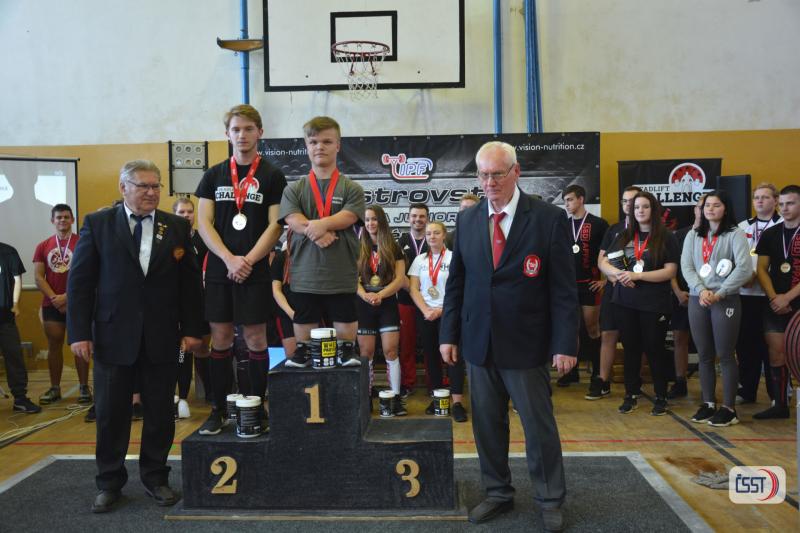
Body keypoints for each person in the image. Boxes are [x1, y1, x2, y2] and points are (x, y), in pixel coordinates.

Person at [440, 141, 578, 530]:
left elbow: (564, 290)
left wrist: (565, 344)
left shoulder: (548, 219)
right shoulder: (467, 220)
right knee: (486, 426)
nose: (490, 182)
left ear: (516, 172)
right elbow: (456, 283)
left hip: (527, 343)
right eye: (483, 175)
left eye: (497, 174)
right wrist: (448, 334)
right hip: (478, 343)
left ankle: (550, 499)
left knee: (537, 426)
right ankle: (497, 492)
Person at [67, 160, 204, 513]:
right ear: (123, 187)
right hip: (112, 335)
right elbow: (80, 283)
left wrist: (192, 329)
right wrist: (79, 332)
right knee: (111, 414)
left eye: (156, 186)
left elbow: (190, 284)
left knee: (160, 412)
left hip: (162, 335)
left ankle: (156, 477)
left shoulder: (176, 226)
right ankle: (109, 482)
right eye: (143, 186)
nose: (151, 192)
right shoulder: (98, 224)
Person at [195, 104, 287, 435]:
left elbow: (276, 225)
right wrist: (229, 259)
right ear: (227, 134)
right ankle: (218, 409)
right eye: (236, 129)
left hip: (256, 268)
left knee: (255, 338)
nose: (242, 135)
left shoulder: (273, 175)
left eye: (248, 129)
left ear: (260, 132)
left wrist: (247, 260)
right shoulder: (214, 175)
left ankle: (257, 406)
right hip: (221, 269)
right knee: (220, 338)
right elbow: (203, 223)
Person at [280, 116, 365, 369]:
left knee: (345, 312)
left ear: (338, 145)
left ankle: (346, 349)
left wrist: (319, 225)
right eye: (314, 142)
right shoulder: (294, 189)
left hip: (341, 270)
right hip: (305, 272)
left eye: (327, 141)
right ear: (306, 146)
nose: (320, 147)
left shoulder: (352, 188)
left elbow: (349, 216)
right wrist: (319, 231)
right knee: (304, 314)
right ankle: (304, 350)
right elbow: (292, 219)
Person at [598, 191, 679, 416]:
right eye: (636, 207)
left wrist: (638, 276)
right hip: (625, 302)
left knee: (654, 349)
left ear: (654, 209)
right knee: (631, 349)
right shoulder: (624, 235)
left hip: (654, 303)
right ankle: (631, 394)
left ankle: (661, 396)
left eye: (645, 206)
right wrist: (619, 274)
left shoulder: (666, 237)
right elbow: (603, 262)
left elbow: (670, 271)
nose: (640, 211)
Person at [681, 191, 751, 427]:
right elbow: (686, 266)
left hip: (725, 299)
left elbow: (744, 269)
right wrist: (701, 291)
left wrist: (720, 293)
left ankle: (729, 409)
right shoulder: (693, 234)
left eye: (716, 205)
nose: (710, 209)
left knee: (725, 353)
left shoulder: (735, 234)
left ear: (726, 208)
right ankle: (708, 403)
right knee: (704, 354)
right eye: (706, 205)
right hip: (698, 299)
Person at [33, 204, 92, 405]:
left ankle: (84, 387)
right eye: (59, 217)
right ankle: (54, 388)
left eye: (66, 217)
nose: (63, 220)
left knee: (81, 345)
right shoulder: (43, 245)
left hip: (78, 303)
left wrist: (67, 297)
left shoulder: (83, 242)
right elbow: (38, 277)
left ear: (72, 220)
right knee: (54, 345)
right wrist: (54, 298)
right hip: (52, 305)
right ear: (53, 221)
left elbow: (88, 274)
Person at [409, 221, 467, 422]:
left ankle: (457, 403)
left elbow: (461, 288)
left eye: (436, 233)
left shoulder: (454, 257)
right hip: (426, 314)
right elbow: (413, 288)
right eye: (428, 234)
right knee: (431, 357)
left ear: (444, 235)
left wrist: (442, 311)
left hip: (449, 314)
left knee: (453, 357)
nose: (432, 237)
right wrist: (426, 310)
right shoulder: (419, 260)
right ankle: (437, 399)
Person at [586, 186, 640, 400]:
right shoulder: (614, 229)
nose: (628, 205)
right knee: (608, 333)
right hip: (614, 288)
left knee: (633, 339)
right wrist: (614, 275)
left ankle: (633, 384)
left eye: (632, 201)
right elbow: (601, 259)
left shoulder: (651, 229)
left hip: (638, 290)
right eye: (625, 201)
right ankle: (602, 380)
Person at [754, 184, 800, 420]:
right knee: (777, 353)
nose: (784, 208)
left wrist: (788, 297)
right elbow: (762, 269)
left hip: (795, 301)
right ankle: (780, 404)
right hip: (774, 303)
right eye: (781, 204)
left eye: (790, 203)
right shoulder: (771, 234)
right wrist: (774, 297)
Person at [356, 205, 407, 413]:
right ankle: (366, 399)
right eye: (367, 220)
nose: (371, 223)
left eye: (374, 219)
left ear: (382, 221)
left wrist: (381, 295)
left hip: (387, 303)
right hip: (364, 303)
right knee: (366, 353)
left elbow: (400, 279)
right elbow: (351, 279)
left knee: (391, 351)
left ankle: (395, 399)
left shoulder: (393, 247)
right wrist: (365, 295)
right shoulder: (358, 246)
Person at [736, 183, 781, 404]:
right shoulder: (742, 226)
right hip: (746, 293)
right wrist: (743, 276)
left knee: (772, 345)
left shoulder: (783, 225)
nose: (760, 201)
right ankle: (747, 390)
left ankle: (777, 393)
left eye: (765, 197)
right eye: (756, 197)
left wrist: (761, 275)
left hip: (772, 294)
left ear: (776, 200)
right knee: (746, 344)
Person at [560, 184, 609, 390]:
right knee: (570, 330)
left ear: (581, 199)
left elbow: (610, 253)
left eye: (570, 200)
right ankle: (571, 372)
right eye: (565, 201)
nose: (567, 204)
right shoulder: (563, 224)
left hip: (590, 285)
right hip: (568, 287)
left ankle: (598, 372)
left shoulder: (598, 224)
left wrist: (606, 280)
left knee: (592, 328)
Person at [172, 197, 212, 418]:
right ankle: (181, 396)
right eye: (181, 212)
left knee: (202, 348)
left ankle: (210, 392)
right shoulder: (169, 239)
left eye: (189, 212)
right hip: (176, 304)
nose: (186, 215)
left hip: (202, 302)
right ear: (174, 214)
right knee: (182, 350)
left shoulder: (204, 238)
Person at [668, 195, 705, 399]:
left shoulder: (720, 235)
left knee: (708, 342)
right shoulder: (680, 235)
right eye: (700, 206)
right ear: (695, 210)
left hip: (709, 296)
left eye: (709, 206)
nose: (703, 210)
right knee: (679, 338)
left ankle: (708, 385)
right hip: (683, 294)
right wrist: (677, 291)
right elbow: (671, 267)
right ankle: (680, 381)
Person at [0, 242, 41, 414]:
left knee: (14, 357)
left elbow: (17, 280)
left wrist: (15, 303)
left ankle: (20, 399)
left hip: (5, 318)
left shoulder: (8, 252)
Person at [396, 203, 430, 395]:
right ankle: (408, 383)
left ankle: (435, 383)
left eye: (422, 216)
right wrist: (413, 290)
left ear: (427, 219)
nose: (418, 220)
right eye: (414, 216)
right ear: (408, 218)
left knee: (431, 343)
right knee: (406, 344)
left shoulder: (433, 239)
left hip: (430, 302)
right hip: (406, 300)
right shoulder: (400, 242)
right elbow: (396, 272)